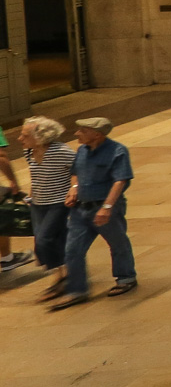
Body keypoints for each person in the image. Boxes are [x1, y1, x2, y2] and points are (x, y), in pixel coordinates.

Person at [51, 116, 137, 309]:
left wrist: (107, 207)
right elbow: (76, 172)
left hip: (105, 208)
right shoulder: (82, 150)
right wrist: (73, 187)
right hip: (81, 208)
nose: (76, 133)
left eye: (82, 130)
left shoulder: (117, 151)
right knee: (72, 249)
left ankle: (126, 278)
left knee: (117, 243)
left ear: (96, 134)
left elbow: (120, 180)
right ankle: (77, 290)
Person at [23, 116, 76, 298]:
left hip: (57, 203)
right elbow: (36, 176)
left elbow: (78, 169)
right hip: (37, 203)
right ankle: (61, 275)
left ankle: (63, 278)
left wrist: (74, 189)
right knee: (48, 241)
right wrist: (31, 196)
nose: (20, 139)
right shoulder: (29, 152)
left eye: (25, 135)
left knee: (45, 239)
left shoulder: (61, 151)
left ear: (41, 137)